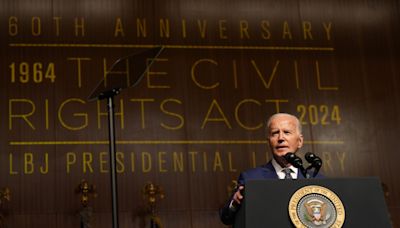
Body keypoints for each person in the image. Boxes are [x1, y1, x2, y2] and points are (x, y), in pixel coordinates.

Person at [219, 113, 323, 225]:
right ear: (269, 140)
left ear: (300, 141)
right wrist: (234, 203)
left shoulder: (316, 179)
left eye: (286, 132)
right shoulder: (252, 178)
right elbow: (226, 218)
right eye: (275, 133)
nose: (281, 138)